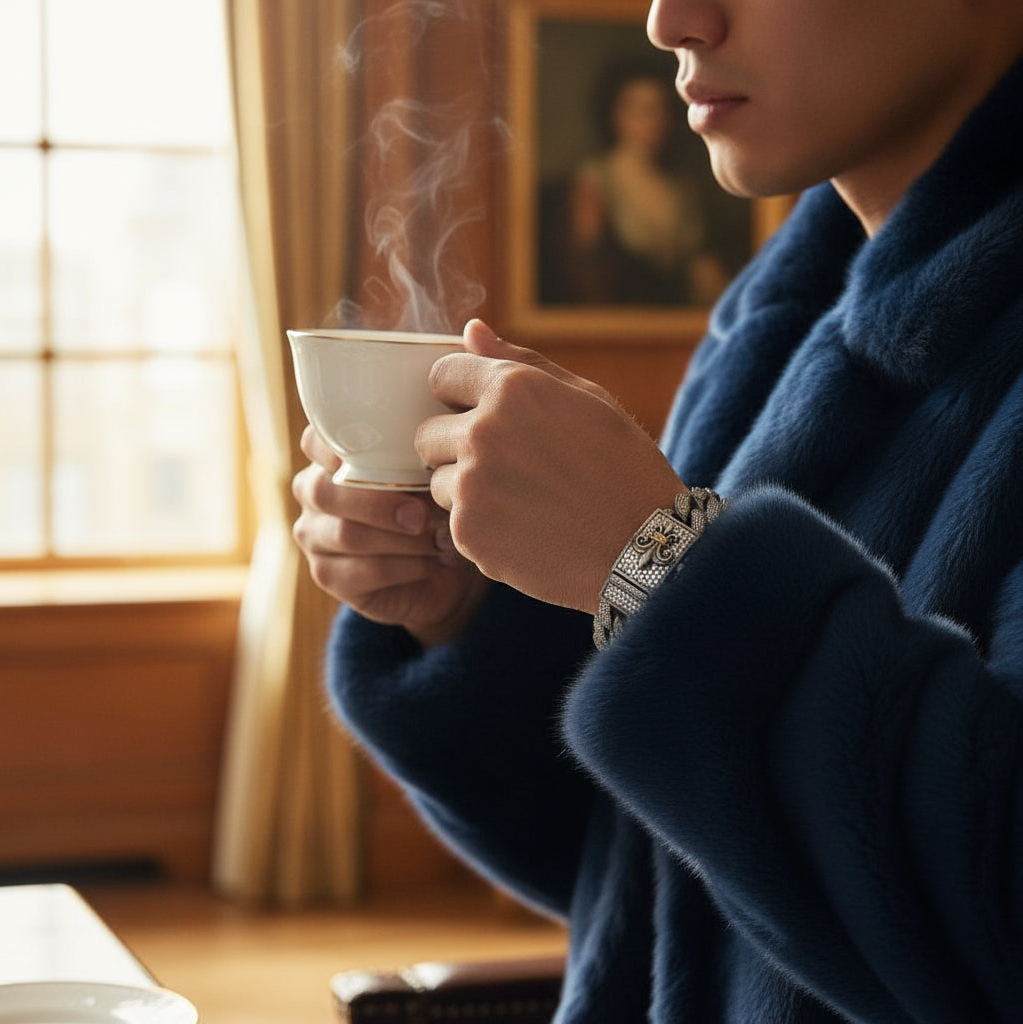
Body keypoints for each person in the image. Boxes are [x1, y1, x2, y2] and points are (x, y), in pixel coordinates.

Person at [292, 0, 1023, 1019]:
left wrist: (657, 558)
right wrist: (467, 613)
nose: (669, 21)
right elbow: (676, 891)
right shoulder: (775, 330)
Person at [558, 58, 730, 306]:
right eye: (640, 109)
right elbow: (588, 270)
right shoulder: (596, 179)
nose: (653, 119)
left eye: (659, 108)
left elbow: (698, 265)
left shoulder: (679, 186)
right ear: (616, 115)